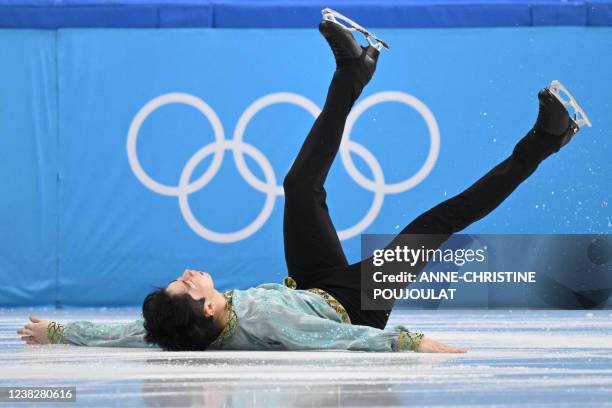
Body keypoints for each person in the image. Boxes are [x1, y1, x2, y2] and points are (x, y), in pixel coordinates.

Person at [18, 12, 586, 354]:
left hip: (311, 285)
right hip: (353, 307)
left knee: (298, 185)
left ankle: (353, 70)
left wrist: (61, 332)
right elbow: (337, 340)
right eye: (187, 286)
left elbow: (132, 336)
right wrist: (408, 344)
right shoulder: (265, 320)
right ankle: (547, 140)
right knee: (433, 224)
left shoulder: (188, 326)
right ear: (209, 310)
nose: (187, 274)